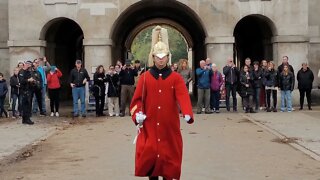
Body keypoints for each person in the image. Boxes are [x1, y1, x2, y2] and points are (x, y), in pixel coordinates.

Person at [130, 34, 194, 180]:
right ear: (153, 57)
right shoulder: (145, 78)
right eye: (158, 56)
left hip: (169, 127)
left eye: (163, 56)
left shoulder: (175, 78)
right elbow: (137, 101)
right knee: (151, 159)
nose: (160, 59)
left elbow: (183, 96)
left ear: (167, 57)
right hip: (150, 125)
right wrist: (137, 114)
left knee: (169, 161)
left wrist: (187, 112)